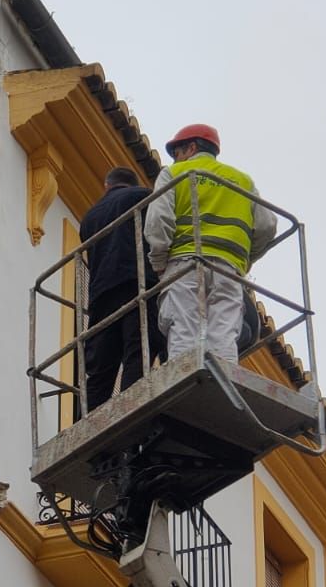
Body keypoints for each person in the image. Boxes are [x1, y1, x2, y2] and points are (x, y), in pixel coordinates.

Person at [144, 123, 277, 364]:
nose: (176, 160)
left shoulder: (175, 173)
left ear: (191, 147)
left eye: (177, 154)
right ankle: (223, 382)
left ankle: (185, 379)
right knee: (225, 331)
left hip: (185, 262)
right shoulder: (242, 181)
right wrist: (244, 259)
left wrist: (159, 261)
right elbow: (268, 226)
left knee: (184, 326)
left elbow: (158, 220)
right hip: (229, 269)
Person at [78, 166, 165, 412]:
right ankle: (130, 415)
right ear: (132, 183)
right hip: (136, 284)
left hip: (100, 296)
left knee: (100, 370)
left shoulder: (89, 218)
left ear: (107, 185)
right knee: (139, 351)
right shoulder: (143, 197)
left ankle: (88, 425)